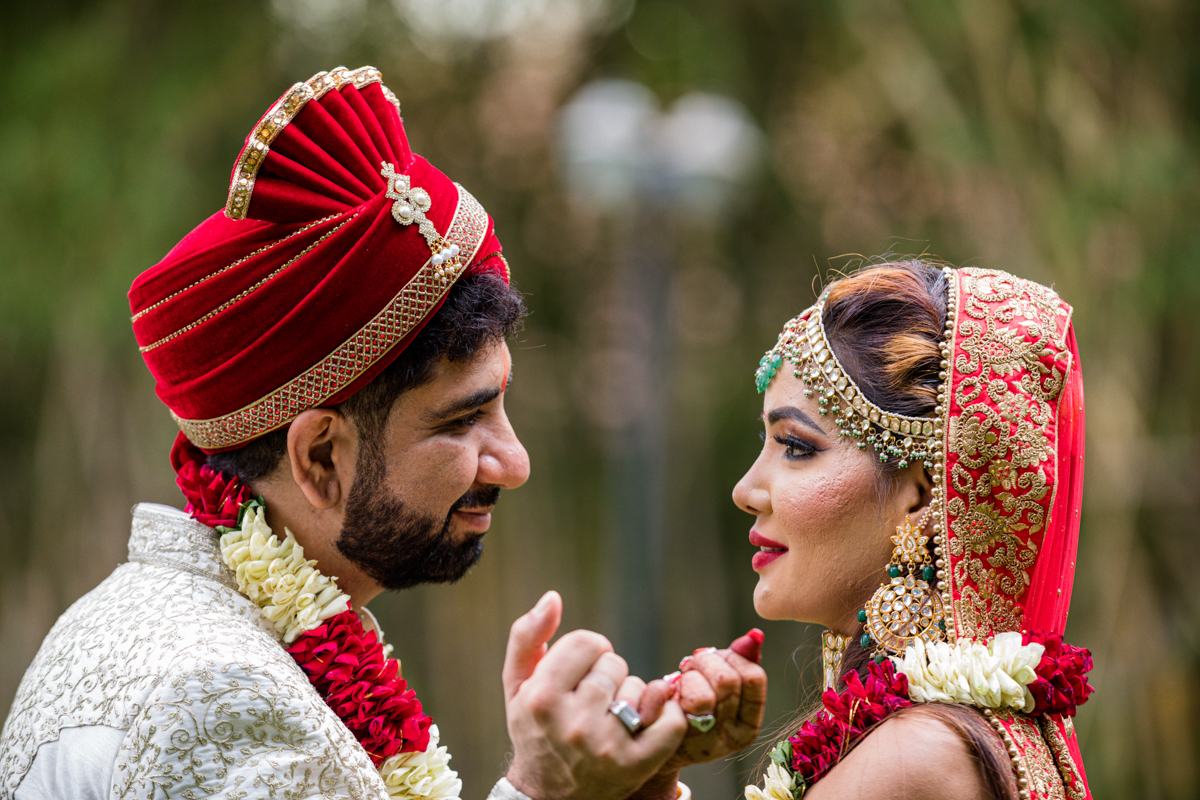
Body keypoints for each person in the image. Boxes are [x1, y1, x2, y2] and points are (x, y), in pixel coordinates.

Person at [0, 66, 766, 800]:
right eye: (464, 418)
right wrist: (541, 791)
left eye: (501, 407)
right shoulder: (220, 698)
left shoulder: (171, 626)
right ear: (320, 458)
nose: (514, 462)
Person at [736, 260, 1094, 800]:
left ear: (921, 494)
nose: (745, 490)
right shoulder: (972, 730)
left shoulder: (916, 757)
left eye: (796, 447)